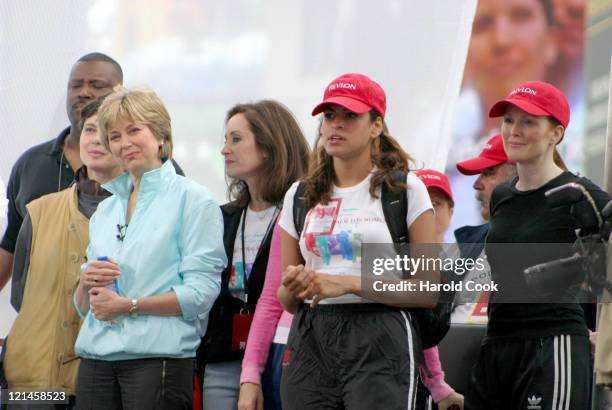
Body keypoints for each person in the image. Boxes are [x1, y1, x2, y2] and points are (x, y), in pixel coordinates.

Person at [277, 73, 436, 409]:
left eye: (351, 116)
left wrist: (348, 283)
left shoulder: (405, 190)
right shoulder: (299, 194)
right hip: (311, 336)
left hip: (381, 333)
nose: (337, 125)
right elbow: (287, 300)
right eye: (330, 116)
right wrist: (296, 284)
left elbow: (426, 290)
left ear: (376, 125)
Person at [73, 87, 226, 410]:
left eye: (134, 130)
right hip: (95, 361)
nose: (123, 143)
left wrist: (128, 305)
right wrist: (86, 285)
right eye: (114, 135)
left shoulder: (194, 200)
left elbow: (201, 293)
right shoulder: (106, 210)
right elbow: (85, 308)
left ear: (160, 135)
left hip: (158, 362)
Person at [466, 81, 611, 409]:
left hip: (552, 343)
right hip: (496, 345)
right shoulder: (502, 196)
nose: (513, 131)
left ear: (556, 134)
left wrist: (605, 335)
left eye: (529, 121)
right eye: (508, 120)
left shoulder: (582, 194)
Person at [2, 96, 122, 409]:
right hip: (32, 378)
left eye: (108, 131)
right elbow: (21, 296)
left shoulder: (141, 213)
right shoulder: (39, 212)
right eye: (89, 130)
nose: (95, 139)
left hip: (99, 381)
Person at [199, 100, 310, 410]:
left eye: (236, 139)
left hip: (281, 352)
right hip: (223, 355)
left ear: (268, 147)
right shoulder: (222, 216)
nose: (224, 149)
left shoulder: (303, 213)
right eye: (225, 139)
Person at [0, 53, 123, 292]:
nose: (83, 92)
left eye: (96, 85)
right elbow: (11, 246)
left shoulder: (140, 165)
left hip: (113, 318)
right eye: (75, 85)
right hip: (41, 319)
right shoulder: (31, 163)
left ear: (120, 94)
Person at [237, 130, 323, 410]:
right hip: (292, 345)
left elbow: (416, 297)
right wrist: (249, 375)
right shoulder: (299, 199)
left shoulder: (393, 196)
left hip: (368, 351)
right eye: (324, 129)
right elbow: (273, 299)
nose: (333, 134)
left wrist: (436, 381)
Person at [453, 134, 516, 324]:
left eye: (488, 173)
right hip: (460, 352)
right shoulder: (468, 244)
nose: (476, 184)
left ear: (520, 176)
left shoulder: (554, 238)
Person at [414, 169, 464, 410]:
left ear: (451, 211)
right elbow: (425, 331)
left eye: (436, 203)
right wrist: (438, 383)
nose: (430, 212)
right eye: (423, 203)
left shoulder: (464, 261)